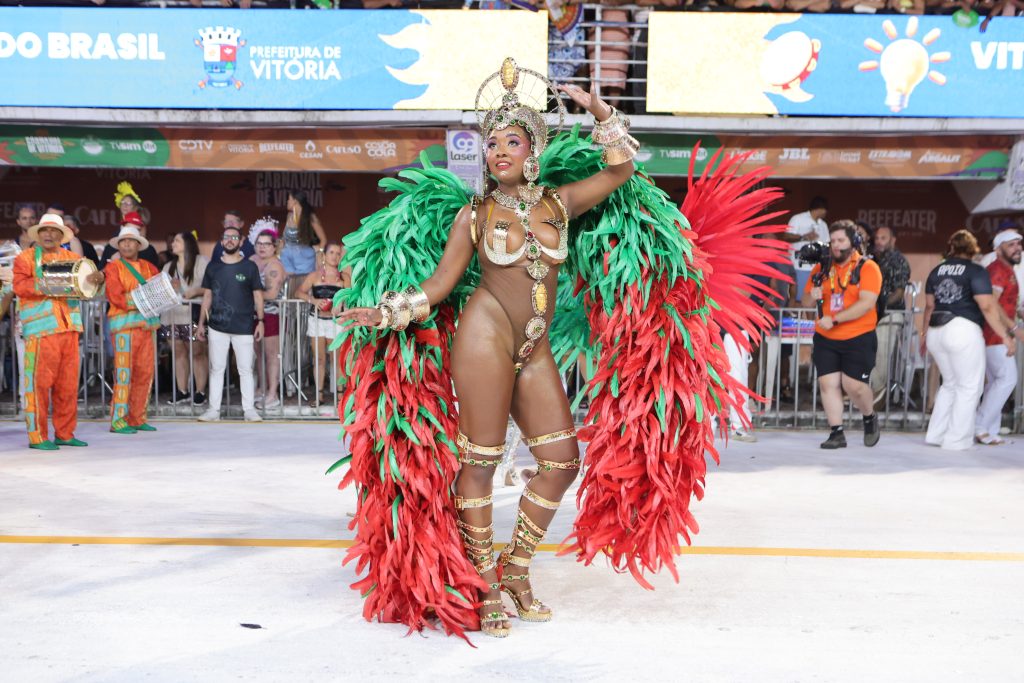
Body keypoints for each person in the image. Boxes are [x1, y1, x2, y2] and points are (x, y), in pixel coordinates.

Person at [338, 68, 636, 637]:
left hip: (535, 347)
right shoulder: (474, 215)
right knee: (479, 463)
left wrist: (600, 111)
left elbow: (621, 169)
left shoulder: (560, 203)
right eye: (492, 142)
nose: (499, 150)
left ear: (533, 153)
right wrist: (386, 311)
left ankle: (515, 569)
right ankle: (485, 583)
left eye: (512, 141)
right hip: (484, 339)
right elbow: (438, 287)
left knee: (561, 461)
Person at [11, 213, 104, 450]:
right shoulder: (25, 258)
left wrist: (98, 278)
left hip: (69, 329)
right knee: (38, 385)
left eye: (54, 231)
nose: (49, 234)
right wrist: (50, 282)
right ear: (38, 234)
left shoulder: (74, 259)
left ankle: (65, 433)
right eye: (45, 230)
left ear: (62, 235)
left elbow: (88, 287)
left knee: (68, 386)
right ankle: (38, 436)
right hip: (41, 331)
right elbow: (19, 286)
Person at [922, 230, 1015, 450]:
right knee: (969, 387)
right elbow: (987, 306)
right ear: (973, 248)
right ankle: (956, 440)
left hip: (936, 330)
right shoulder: (976, 270)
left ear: (951, 247)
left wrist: (924, 336)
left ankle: (936, 435)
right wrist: (1005, 336)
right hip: (962, 329)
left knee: (950, 384)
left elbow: (929, 306)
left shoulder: (936, 270)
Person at [802, 219, 883, 450]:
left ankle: (869, 416)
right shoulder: (821, 268)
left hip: (858, 336)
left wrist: (835, 319)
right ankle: (836, 432)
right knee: (827, 383)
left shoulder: (868, 267)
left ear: (853, 242)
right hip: (826, 337)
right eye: (833, 241)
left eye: (841, 240)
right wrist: (813, 295)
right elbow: (805, 301)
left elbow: (867, 303)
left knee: (853, 386)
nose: (836, 245)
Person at [197, 225, 265, 423]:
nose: (230, 240)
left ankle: (249, 410)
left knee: (245, 369)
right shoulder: (213, 267)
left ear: (241, 241)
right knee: (216, 369)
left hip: (244, 327)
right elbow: (207, 296)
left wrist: (260, 321)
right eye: (226, 237)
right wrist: (201, 323)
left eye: (234, 237)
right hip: (217, 326)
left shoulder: (250, 267)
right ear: (221, 241)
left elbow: (258, 296)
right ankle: (213, 410)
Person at [104, 224, 161, 434]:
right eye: (123, 241)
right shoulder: (113, 268)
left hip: (147, 328)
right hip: (124, 329)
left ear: (138, 245)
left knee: (145, 373)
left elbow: (159, 293)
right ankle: (118, 420)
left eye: (131, 241)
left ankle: (137, 417)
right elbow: (116, 297)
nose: (127, 245)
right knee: (124, 374)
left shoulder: (150, 267)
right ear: (118, 246)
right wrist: (144, 298)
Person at [974, 229, 1024, 444]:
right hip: (994, 334)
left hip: (995, 333)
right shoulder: (997, 270)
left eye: (1019, 243)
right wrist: (1013, 328)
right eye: (1011, 245)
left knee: (996, 381)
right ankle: (980, 425)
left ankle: (989, 431)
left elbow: (1006, 303)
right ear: (997, 249)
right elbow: (992, 303)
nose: (1017, 248)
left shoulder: (1006, 269)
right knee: (1007, 379)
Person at [297, 242, 348, 408]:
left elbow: (351, 297)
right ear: (324, 255)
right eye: (331, 252)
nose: (335, 256)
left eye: (338, 253)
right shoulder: (314, 276)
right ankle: (319, 396)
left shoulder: (344, 278)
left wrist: (341, 304)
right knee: (319, 359)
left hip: (336, 322)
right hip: (317, 321)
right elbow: (298, 292)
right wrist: (313, 300)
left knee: (336, 360)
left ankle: (340, 397)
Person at [162, 231, 209, 406]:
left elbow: (211, 287)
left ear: (187, 244)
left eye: (177, 241)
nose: (172, 244)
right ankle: (182, 391)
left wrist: (195, 291)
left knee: (197, 352)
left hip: (193, 314)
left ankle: (200, 391)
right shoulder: (168, 266)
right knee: (178, 352)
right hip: (171, 315)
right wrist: (170, 288)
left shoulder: (201, 262)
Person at [869, 225, 912, 402]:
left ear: (893, 240)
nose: (879, 242)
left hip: (890, 315)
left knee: (880, 356)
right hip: (873, 315)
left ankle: (876, 396)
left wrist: (879, 306)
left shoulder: (898, 261)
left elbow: (899, 293)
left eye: (883, 238)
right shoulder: (875, 260)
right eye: (877, 238)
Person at [251, 223, 286, 410]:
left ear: (274, 247)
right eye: (259, 243)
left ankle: (273, 393)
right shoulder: (252, 261)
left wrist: (249, 294)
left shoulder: (275, 266)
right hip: (253, 314)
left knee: (271, 355)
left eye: (266, 244)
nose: (262, 247)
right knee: (258, 353)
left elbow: (271, 294)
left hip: (270, 314)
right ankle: (262, 388)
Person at [784, 196, 829, 296]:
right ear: (821, 209)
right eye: (826, 210)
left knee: (814, 299)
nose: (826, 213)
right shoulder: (798, 219)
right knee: (798, 298)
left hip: (817, 268)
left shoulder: (823, 224)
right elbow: (786, 236)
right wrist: (803, 237)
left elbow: (827, 244)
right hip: (799, 266)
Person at [280, 191, 327, 276]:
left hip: (304, 259)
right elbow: (284, 238)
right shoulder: (289, 216)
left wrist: (319, 253)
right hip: (287, 258)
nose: (287, 201)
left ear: (295, 201)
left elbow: (323, 239)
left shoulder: (310, 217)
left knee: (302, 281)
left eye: (289, 199)